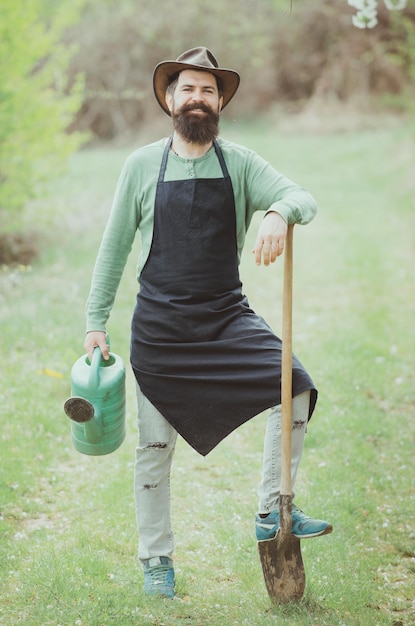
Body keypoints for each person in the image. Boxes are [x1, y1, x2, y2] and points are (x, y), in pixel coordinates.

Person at [84, 46, 332, 599]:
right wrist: (94, 320)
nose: (198, 98)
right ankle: (156, 560)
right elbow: (114, 246)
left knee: (294, 384)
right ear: (170, 99)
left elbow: (302, 197)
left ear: (220, 102)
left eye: (208, 90)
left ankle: (272, 509)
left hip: (225, 319)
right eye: (188, 88)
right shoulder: (141, 165)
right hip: (161, 332)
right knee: (153, 450)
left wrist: (276, 212)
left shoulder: (239, 162)